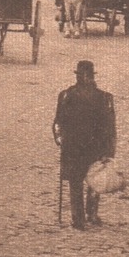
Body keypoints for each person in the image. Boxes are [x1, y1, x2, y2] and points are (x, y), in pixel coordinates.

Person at [53, 60, 117, 229]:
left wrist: (60, 140)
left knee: (75, 182)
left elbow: (57, 124)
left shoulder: (66, 95)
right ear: (91, 77)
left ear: (78, 77)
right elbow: (110, 128)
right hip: (95, 147)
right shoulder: (105, 98)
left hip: (73, 147)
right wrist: (109, 151)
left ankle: (78, 219)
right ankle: (91, 214)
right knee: (94, 180)